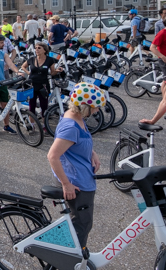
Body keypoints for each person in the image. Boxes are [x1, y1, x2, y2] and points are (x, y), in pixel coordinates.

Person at [47, 82, 104, 247]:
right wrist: (66, 184)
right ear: (85, 107)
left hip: (82, 176)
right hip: (76, 182)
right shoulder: (71, 126)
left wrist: (92, 153)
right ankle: (71, 259)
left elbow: (78, 142)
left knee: (79, 223)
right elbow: (52, 156)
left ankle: (69, 253)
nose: (98, 110)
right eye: (96, 107)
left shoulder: (76, 116)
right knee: (81, 224)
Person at [19, 42, 63, 132]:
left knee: (44, 106)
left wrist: (58, 71)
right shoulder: (31, 59)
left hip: (43, 85)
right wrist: (28, 73)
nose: (36, 50)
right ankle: (32, 125)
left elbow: (52, 72)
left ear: (45, 50)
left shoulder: (50, 60)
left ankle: (44, 125)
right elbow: (23, 66)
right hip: (32, 85)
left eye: (39, 48)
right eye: (36, 48)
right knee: (32, 106)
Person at [141, 12, 166, 124]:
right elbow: (152, 47)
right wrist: (163, 57)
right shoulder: (162, 33)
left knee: (164, 85)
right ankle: (153, 120)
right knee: (165, 96)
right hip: (165, 61)